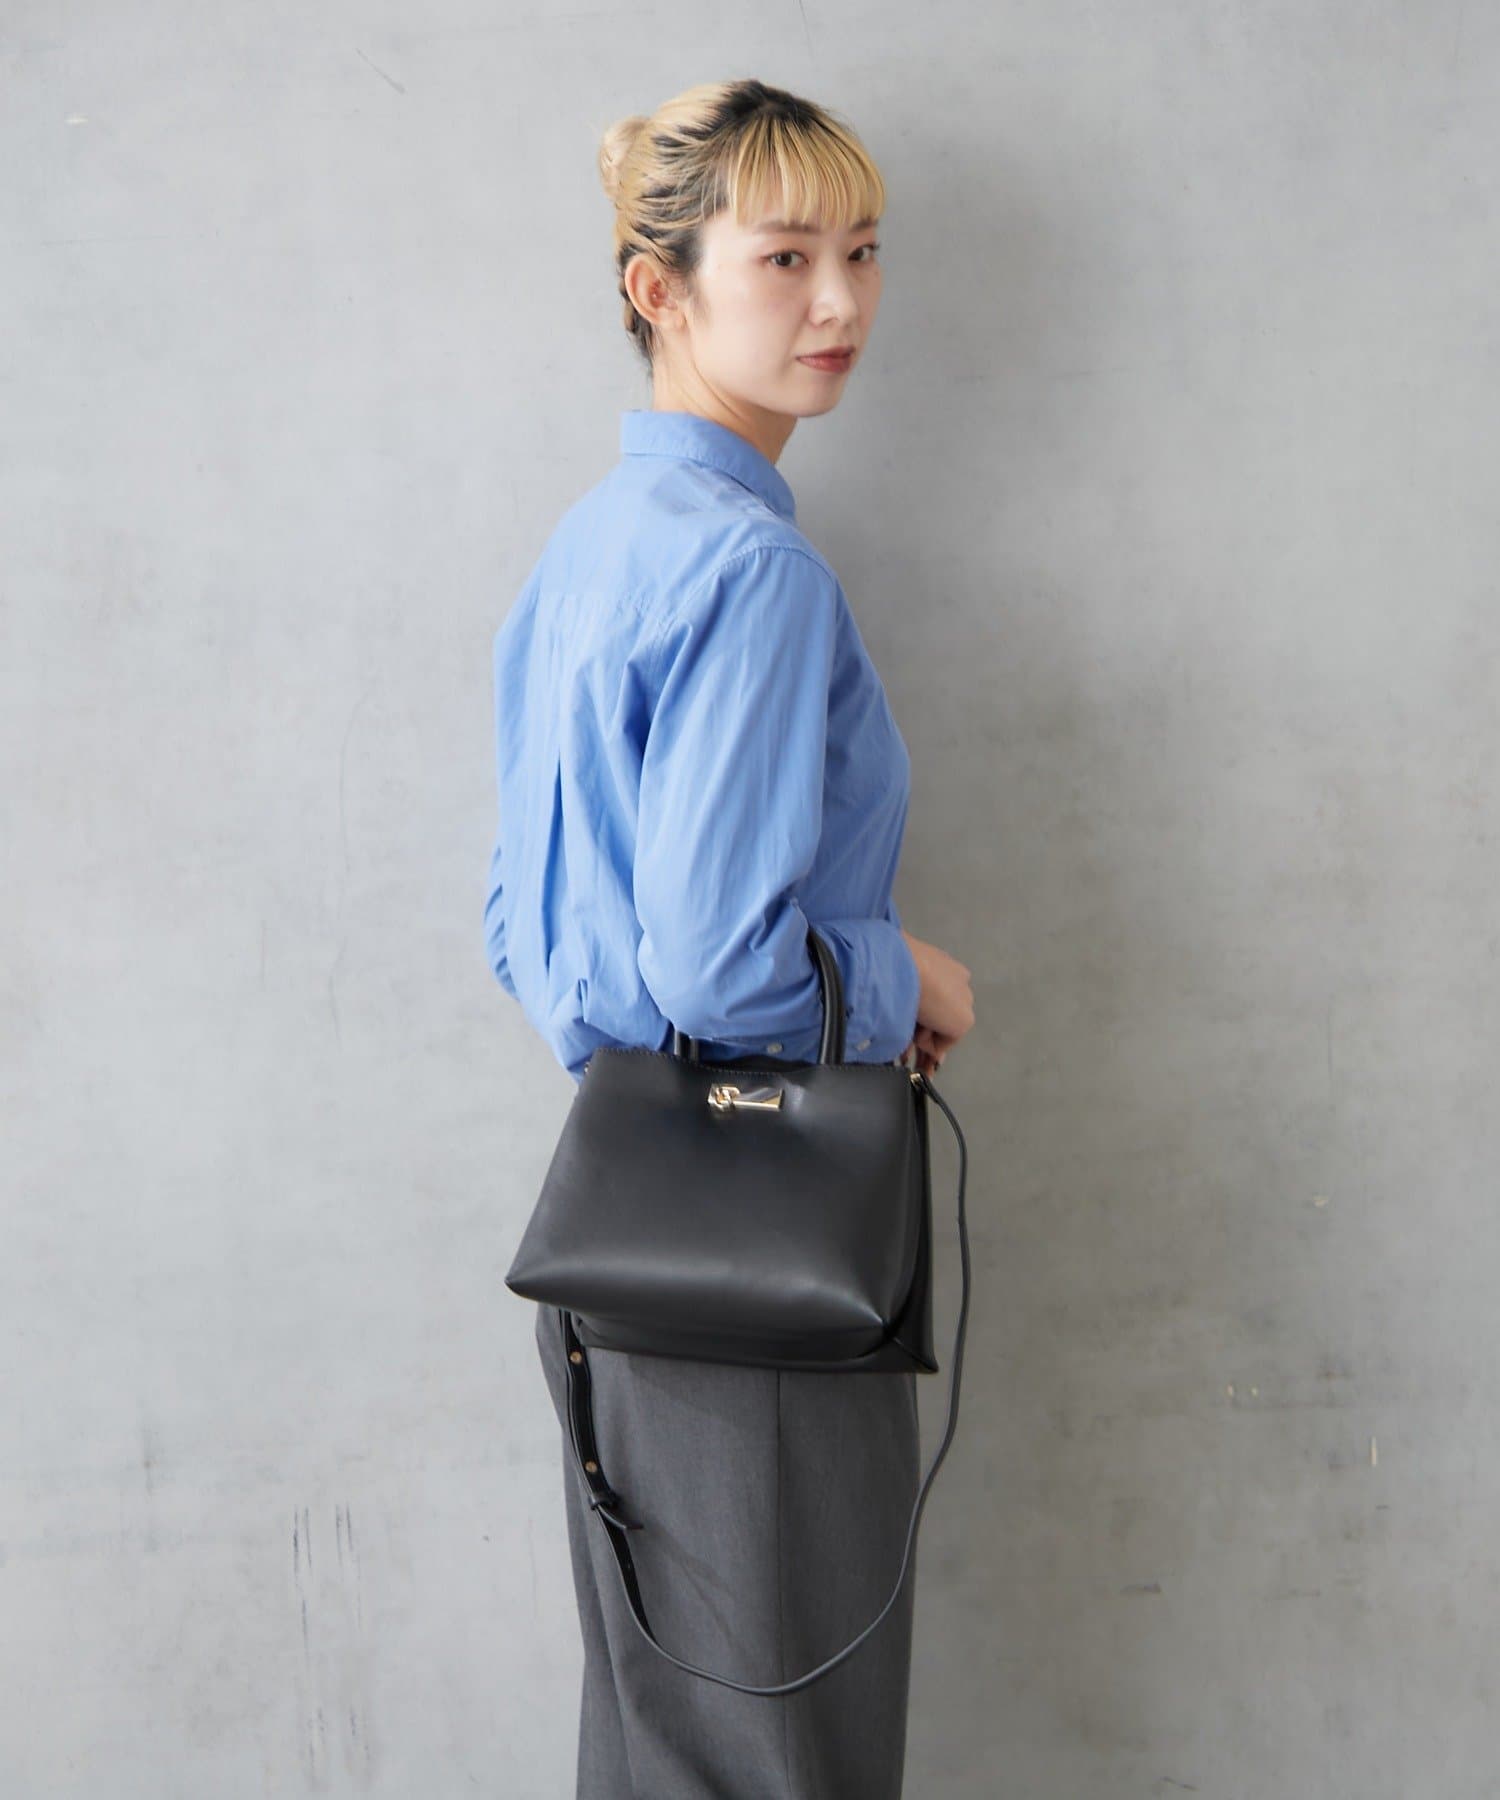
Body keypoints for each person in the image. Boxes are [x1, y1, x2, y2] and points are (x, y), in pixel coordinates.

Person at [483, 76, 975, 1800]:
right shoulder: (755, 575)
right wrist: (900, 979)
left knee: (661, 1755)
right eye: (785, 257)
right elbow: (717, 966)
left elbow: (522, 927)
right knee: (780, 1761)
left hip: (615, 1245)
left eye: (863, 251)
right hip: (762, 1263)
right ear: (659, 287)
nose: (841, 300)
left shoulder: (590, 550)